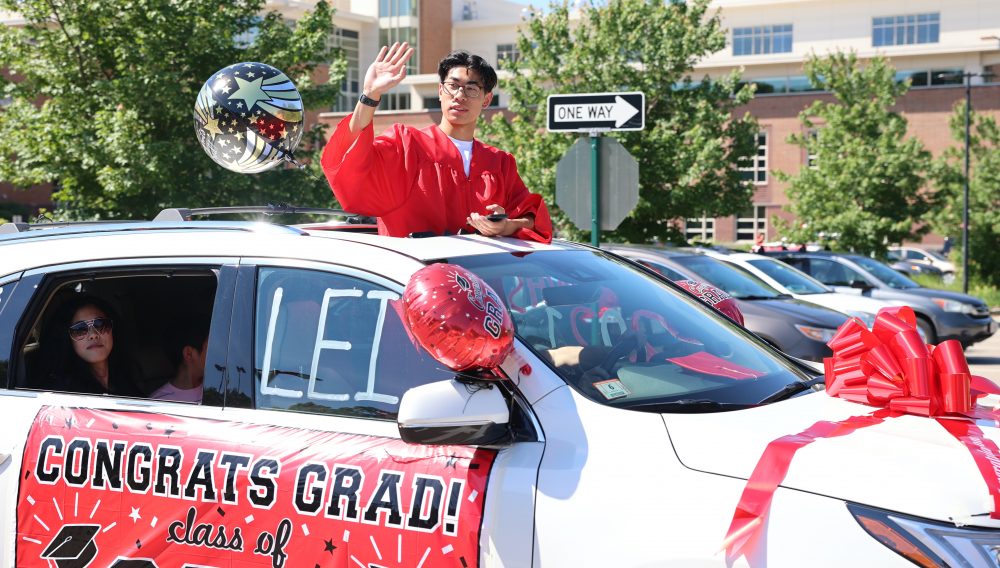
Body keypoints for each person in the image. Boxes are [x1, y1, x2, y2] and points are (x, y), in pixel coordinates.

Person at [321, 43, 553, 243]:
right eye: (453, 86)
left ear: (487, 100)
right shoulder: (407, 146)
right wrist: (369, 95)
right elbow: (347, 159)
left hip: (483, 287)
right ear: (440, 91)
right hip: (413, 285)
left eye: (471, 89)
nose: (460, 95)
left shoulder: (499, 163)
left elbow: (533, 219)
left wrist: (506, 226)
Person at [43, 295, 143, 397]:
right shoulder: (64, 394)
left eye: (100, 324)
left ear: (113, 330)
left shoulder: (125, 377)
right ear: (67, 339)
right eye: (80, 329)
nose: (93, 335)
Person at [150, 315, 210, 403]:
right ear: (189, 354)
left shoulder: (220, 389)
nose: (218, 353)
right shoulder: (159, 404)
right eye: (211, 347)